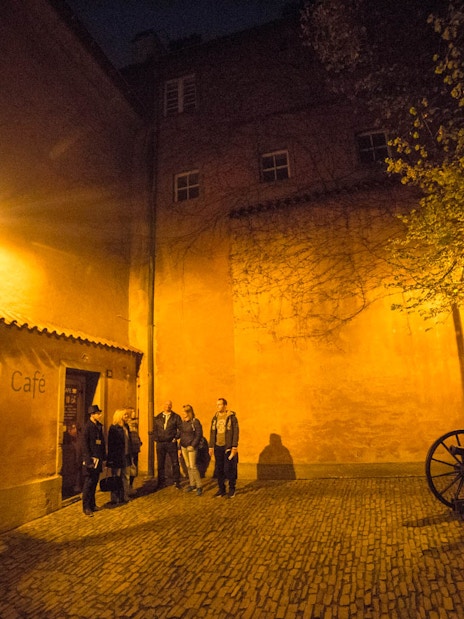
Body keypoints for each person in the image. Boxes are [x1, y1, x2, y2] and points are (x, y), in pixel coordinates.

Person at [209, 397, 239, 498]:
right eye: (217, 405)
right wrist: (211, 446)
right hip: (218, 446)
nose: (218, 406)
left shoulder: (231, 417)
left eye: (220, 404)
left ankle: (232, 489)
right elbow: (212, 432)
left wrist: (234, 446)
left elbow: (235, 432)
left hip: (228, 447)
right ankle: (221, 490)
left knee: (229, 469)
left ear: (225, 405)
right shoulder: (215, 417)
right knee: (219, 469)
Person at [81, 404, 106, 516]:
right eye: (97, 413)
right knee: (88, 483)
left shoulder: (99, 426)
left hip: (98, 458)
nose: (99, 415)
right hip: (91, 460)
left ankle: (93, 504)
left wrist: (104, 457)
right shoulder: (87, 427)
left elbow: (102, 443)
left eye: (99, 413)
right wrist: (88, 461)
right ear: (92, 415)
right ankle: (86, 507)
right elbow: (85, 445)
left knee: (94, 482)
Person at [106, 408, 134, 505]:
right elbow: (111, 445)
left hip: (126, 456)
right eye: (125, 415)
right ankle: (115, 497)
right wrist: (111, 459)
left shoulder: (126, 427)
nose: (127, 416)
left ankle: (125, 495)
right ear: (119, 416)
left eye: (127, 415)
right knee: (116, 477)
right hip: (117, 457)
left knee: (126, 477)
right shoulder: (113, 428)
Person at [153, 400, 182, 489]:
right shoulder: (158, 417)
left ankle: (176, 481)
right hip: (160, 443)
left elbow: (181, 429)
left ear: (171, 406)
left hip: (171, 443)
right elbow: (154, 429)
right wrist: (156, 439)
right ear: (163, 405)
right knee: (160, 464)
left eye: (169, 405)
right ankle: (161, 483)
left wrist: (175, 438)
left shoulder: (176, 417)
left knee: (175, 463)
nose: (168, 406)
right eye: (166, 404)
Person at [179, 404, 204, 496]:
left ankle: (199, 486)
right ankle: (192, 484)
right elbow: (181, 435)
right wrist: (179, 447)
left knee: (193, 466)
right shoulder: (183, 422)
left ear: (189, 412)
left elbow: (198, 435)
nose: (182, 414)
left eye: (184, 412)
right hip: (184, 447)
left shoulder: (195, 422)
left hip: (191, 447)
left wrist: (193, 445)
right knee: (188, 466)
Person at [128, 409, 142, 493]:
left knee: (134, 467)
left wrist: (139, 440)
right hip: (131, 448)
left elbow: (136, 434)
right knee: (131, 467)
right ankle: (128, 486)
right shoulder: (128, 423)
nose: (134, 413)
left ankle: (131, 485)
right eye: (133, 412)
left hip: (136, 447)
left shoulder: (135, 423)